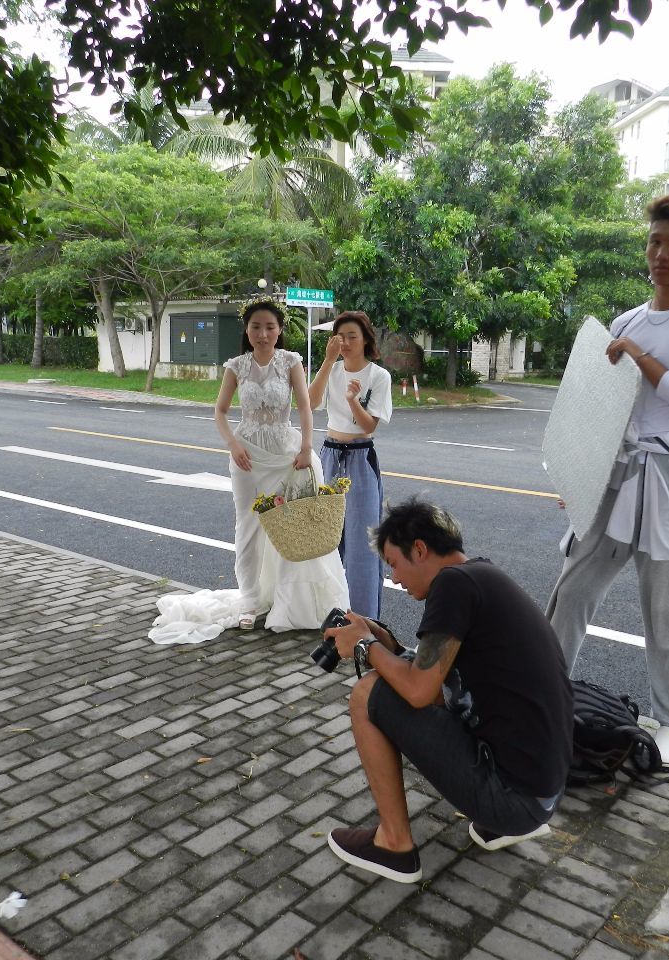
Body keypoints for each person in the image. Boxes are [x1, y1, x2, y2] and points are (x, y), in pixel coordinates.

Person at [545, 192, 669, 769]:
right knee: (571, 592)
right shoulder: (624, 321)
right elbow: (595, 408)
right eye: (656, 241)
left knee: (666, 608)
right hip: (612, 474)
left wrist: (642, 360)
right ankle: (546, 697)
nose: (662, 253)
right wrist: (578, 472)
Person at [322, 499, 573, 884]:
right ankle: (496, 824)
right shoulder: (481, 576)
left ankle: (393, 845)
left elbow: (420, 692)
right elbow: (440, 678)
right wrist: (384, 641)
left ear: (420, 549)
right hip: (542, 795)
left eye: (394, 564)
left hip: (512, 800)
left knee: (367, 694)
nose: (394, 579)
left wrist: (364, 647)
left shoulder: (452, 585)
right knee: (394, 683)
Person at [214, 295, 349, 631]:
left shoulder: (291, 361)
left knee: (295, 524)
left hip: (286, 453)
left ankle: (291, 600)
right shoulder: (236, 366)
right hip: (246, 455)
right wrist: (232, 444)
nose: (262, 334)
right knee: (247, 525)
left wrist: (306, 447)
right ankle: (250, 599)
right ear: (246, 330)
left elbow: (305, 407)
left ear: (279, 330)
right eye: (256, 327)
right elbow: (219, 411)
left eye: (269, 327)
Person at [308, 311, 394, 619]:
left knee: (362, 542)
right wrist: (328, 361)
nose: (344, 342)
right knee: (328, 537)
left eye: (351, 336)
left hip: (360, 457)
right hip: (331, 453)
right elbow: (310, 402)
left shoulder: (378, 376)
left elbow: (369, 426)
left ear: (366, 339)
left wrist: (353, 399)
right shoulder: (333, 368)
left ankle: (363, 618)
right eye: (339, 336)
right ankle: (327, 611)